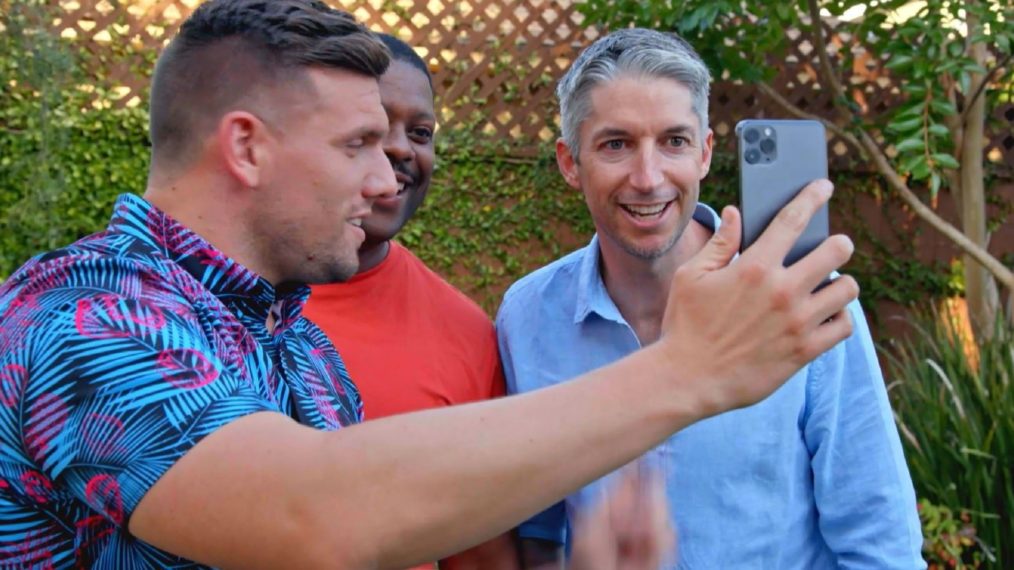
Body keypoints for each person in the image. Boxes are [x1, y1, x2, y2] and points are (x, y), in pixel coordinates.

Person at [0, 1, 860, 567]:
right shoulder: (86, 318)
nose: (387, 183)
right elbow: (315, 513)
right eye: (356, 147)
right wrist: (686, 373)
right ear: (247, 147)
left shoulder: (293, 339)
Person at [497, 28, 926, 569]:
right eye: (616, 144)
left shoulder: (798, 295)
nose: (648, 178)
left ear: (704, 154)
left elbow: (880, 538)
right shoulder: (529, 316)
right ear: (569, 162)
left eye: (673, 142)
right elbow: (538, 532)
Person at [301, 33, 514, 568]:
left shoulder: (463, 331)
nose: (400, 148)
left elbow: (478, 551)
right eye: (369, 130)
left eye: (420, 132)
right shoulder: (198, 310)